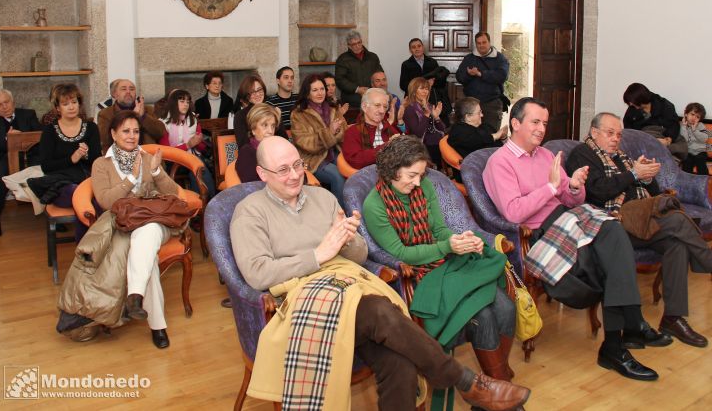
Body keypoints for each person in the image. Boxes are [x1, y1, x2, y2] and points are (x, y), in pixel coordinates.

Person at [229, 135, 531, 411]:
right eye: (283, 170)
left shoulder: (322, 198)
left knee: (399, 362)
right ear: (262, 174)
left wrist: (348, 239)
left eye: (298, 164)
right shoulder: (249, 211)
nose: (295, 175)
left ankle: (470, 384)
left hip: (350, 286)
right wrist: (319, 254)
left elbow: (359, 255)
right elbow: (257, 273)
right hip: (305, 299)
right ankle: (466, 382)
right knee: (380, 311)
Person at [483, 97, 666, 382]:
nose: (541, 129)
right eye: (535, 122)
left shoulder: (545, 156)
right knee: (609, 256)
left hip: (568, 218)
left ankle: (618, 341)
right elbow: (513, 212)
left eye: (544, 123)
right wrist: (551, 187)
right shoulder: (500, 162)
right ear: (515, 123)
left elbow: (570, 197)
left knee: (615, 233)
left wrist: (575, 186)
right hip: (540, 231)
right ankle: (625, 333)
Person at [364, 136, 517, 389]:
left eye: (421, 175)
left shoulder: (424, 187)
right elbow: (400, 252)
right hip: (421, 275)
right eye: (412, 175)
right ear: (392, 169)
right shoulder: (374, 205)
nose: (417, 182)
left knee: (506, 308)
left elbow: (439, 230)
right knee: (485, 314)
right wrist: (448, 246)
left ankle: (496, 386)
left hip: (445, 262)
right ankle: (497, 390)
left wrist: (460, 240)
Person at [566, 112, 712, 347]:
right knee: (677, 221)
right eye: (610, 133)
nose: (616, 139)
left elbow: (653, 194)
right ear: (594, 133)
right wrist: (632, 174)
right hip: (614, 224)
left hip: (643, 220)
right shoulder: (582, 155)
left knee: (676, 243)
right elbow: (597, 192)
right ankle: (707, 261)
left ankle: (673, 318)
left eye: (619, 135)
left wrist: (645, 177)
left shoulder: (622, 157)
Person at [91, 110, 181, 349]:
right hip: (122, 225)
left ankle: (136, 296)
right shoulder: (101, 164)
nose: (132, 136)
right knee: (147, 257)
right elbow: (106, 201)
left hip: (154, 221)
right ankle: (155, 323)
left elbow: (174, 194)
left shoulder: (147, 157)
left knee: (149, 231)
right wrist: (131, 179)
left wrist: (154, 172)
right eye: (125, 131)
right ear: (113, 134)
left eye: (136, 131)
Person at [26, 84, 100, 221]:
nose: (71, 107)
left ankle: (92, 237)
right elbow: (46, 166)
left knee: (93, 197)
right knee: (77, 193)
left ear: (79, 104)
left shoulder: (91, 128)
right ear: (57, 108)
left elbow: (97, 162)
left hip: (86, 179)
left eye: (74, 102)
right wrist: (72, 159)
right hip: (61, 183)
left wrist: (86, 155)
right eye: (65, 104)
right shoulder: (50, 131)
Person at [0, 89, 42, 237]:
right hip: (4, 159)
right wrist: (7, 138)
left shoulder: (29, 114)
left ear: (13, 102)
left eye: (6, 102)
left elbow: (40, 136)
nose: (4, 107)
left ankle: (52, 213)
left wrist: (21, 138)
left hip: (30, 156)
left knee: (47, 172)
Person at [291, 74, 347, 209]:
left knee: (351, 171)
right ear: (307, 93)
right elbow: (306, 143)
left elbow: (344, 131)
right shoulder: (299, 114)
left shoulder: (333, 108)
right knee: (338, 176)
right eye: (315, 90)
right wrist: (330, 133)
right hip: (313, 159)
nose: (320, 93)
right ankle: (340, 215)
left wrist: (333, 134)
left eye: (322, 89)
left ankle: (354, 210)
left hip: (336, 153)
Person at [159, 89, 216, 198]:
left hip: (193, 156)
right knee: (197, 165)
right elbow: (165, 152)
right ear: (173, 103)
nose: (185, 104)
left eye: (188, 102)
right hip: (173, 161)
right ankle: (207, 200)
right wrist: (188, 145)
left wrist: (198, 142)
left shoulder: (193, 119)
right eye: (182, 101)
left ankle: (203, 200)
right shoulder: (163, 122)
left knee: (197, 165)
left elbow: (201, 147)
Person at [456, 32, 510, 132]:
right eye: (478, 43)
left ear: (489, 42)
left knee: (491, 136)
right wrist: (469, 74)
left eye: (484, 42)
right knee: (470, 135)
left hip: (492, 105)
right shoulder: (469, 58)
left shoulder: (500, 58)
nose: (481, 45)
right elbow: (459, 77)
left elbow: (502, 76)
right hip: (471, 106)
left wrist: (481, 74)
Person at [97, 79, 166, 155]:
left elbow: (161, 133)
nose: (128, 92)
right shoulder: (105, 113)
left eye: (132, 89)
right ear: (115, 94)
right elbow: (106, 140)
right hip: (120, 158)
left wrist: (143, 116)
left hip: (149, 157)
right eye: (124, 89)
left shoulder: (148, 109)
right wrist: (134, 116)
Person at [622, 82, 687, 160]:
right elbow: (629, 130)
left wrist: (668, 140)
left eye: (632, 101)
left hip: (663, 136)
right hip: (643, 139)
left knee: (676, 148)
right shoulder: (631, 110)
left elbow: (674, 125)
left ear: (640, 98)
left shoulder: (664, 105)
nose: (630, 104)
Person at [342, 88, 400, 169]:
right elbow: (355, 161)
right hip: (369, 176)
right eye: (377, 105)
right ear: (364, 107)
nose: (382, 111)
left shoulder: (387, 127)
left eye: (385, 107)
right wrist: (386, 146)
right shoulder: (352, 132)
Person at [400, 38, 451, 123]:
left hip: (431, 98)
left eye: (419, 46)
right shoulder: (406, 64)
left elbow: (440, 82)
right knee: (416, 123)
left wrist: (432, 83)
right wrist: (421, 85)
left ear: (423, 47)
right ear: (410, 50)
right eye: (413, 47)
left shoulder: (432, 62)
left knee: (432, 121)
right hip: (414, 100)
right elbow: (403, 85)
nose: (417, 49)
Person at [403, 77, 446, 168]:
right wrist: (426, 115)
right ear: (414, 91)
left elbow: (442, 129)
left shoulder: (430, 106)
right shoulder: (410, 108)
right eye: (421, 88)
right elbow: (417, 133)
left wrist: (437, 117)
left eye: (426, 89)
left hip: (436, 144)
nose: (425, 91)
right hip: (421, 147)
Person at [334, 30, 383, 108]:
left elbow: (379, 74)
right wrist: (357, 89)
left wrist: (377, 89)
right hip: (352, 99)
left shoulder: (373, 57)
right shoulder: (342, 59)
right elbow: (340, 80)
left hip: (372, 97)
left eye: (359, 42)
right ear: (349, 46)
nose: (357, 46)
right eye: (354, 44)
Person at [235, 103, 280, 183]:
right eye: (265, 125)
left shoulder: (278, 149)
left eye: (272, 126)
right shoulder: (247, 152)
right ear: (253, 129)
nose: (270, 131)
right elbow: (253, 186)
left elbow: (300, 176)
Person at [679, 102, 709, 175]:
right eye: (692, 114)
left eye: (697, 117)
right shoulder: (682, 126)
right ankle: (687, 183)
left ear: (700, 119)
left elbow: (704, 139)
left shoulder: (701, 126)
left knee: (701, 162)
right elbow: (684, 140)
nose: (694, 118)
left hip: (700, 152)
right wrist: (683, 127)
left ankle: (702, 181)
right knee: (686, 164)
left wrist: (694, 130)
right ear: (686, 114)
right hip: (688, 152)